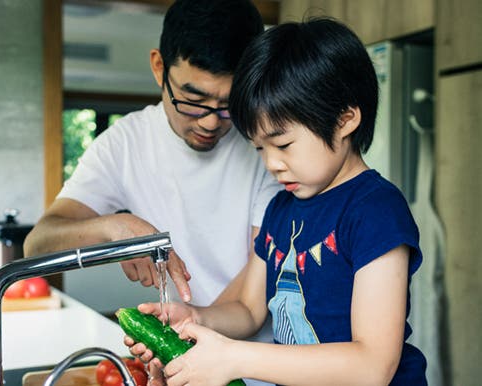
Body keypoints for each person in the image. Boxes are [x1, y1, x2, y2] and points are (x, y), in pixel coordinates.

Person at [126, 18, 427, 385]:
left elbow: (372, 365)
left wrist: (235, 358)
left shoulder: (375, 209)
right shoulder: (281, 209)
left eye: (283, 145)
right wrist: (194, 319)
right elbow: (249, 310)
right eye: (259, 148)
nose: (271, 164)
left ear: (345, 119)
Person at [24, 0, 279, 309]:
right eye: (193, 100)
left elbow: (260, 282)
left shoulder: (268, 141)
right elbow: (37, 245)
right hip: (192, 341)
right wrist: (113, 228)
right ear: (159, 68)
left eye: (229, 104)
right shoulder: (125, 143)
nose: (210, 121)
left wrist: (194, 328)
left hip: (267, 347)